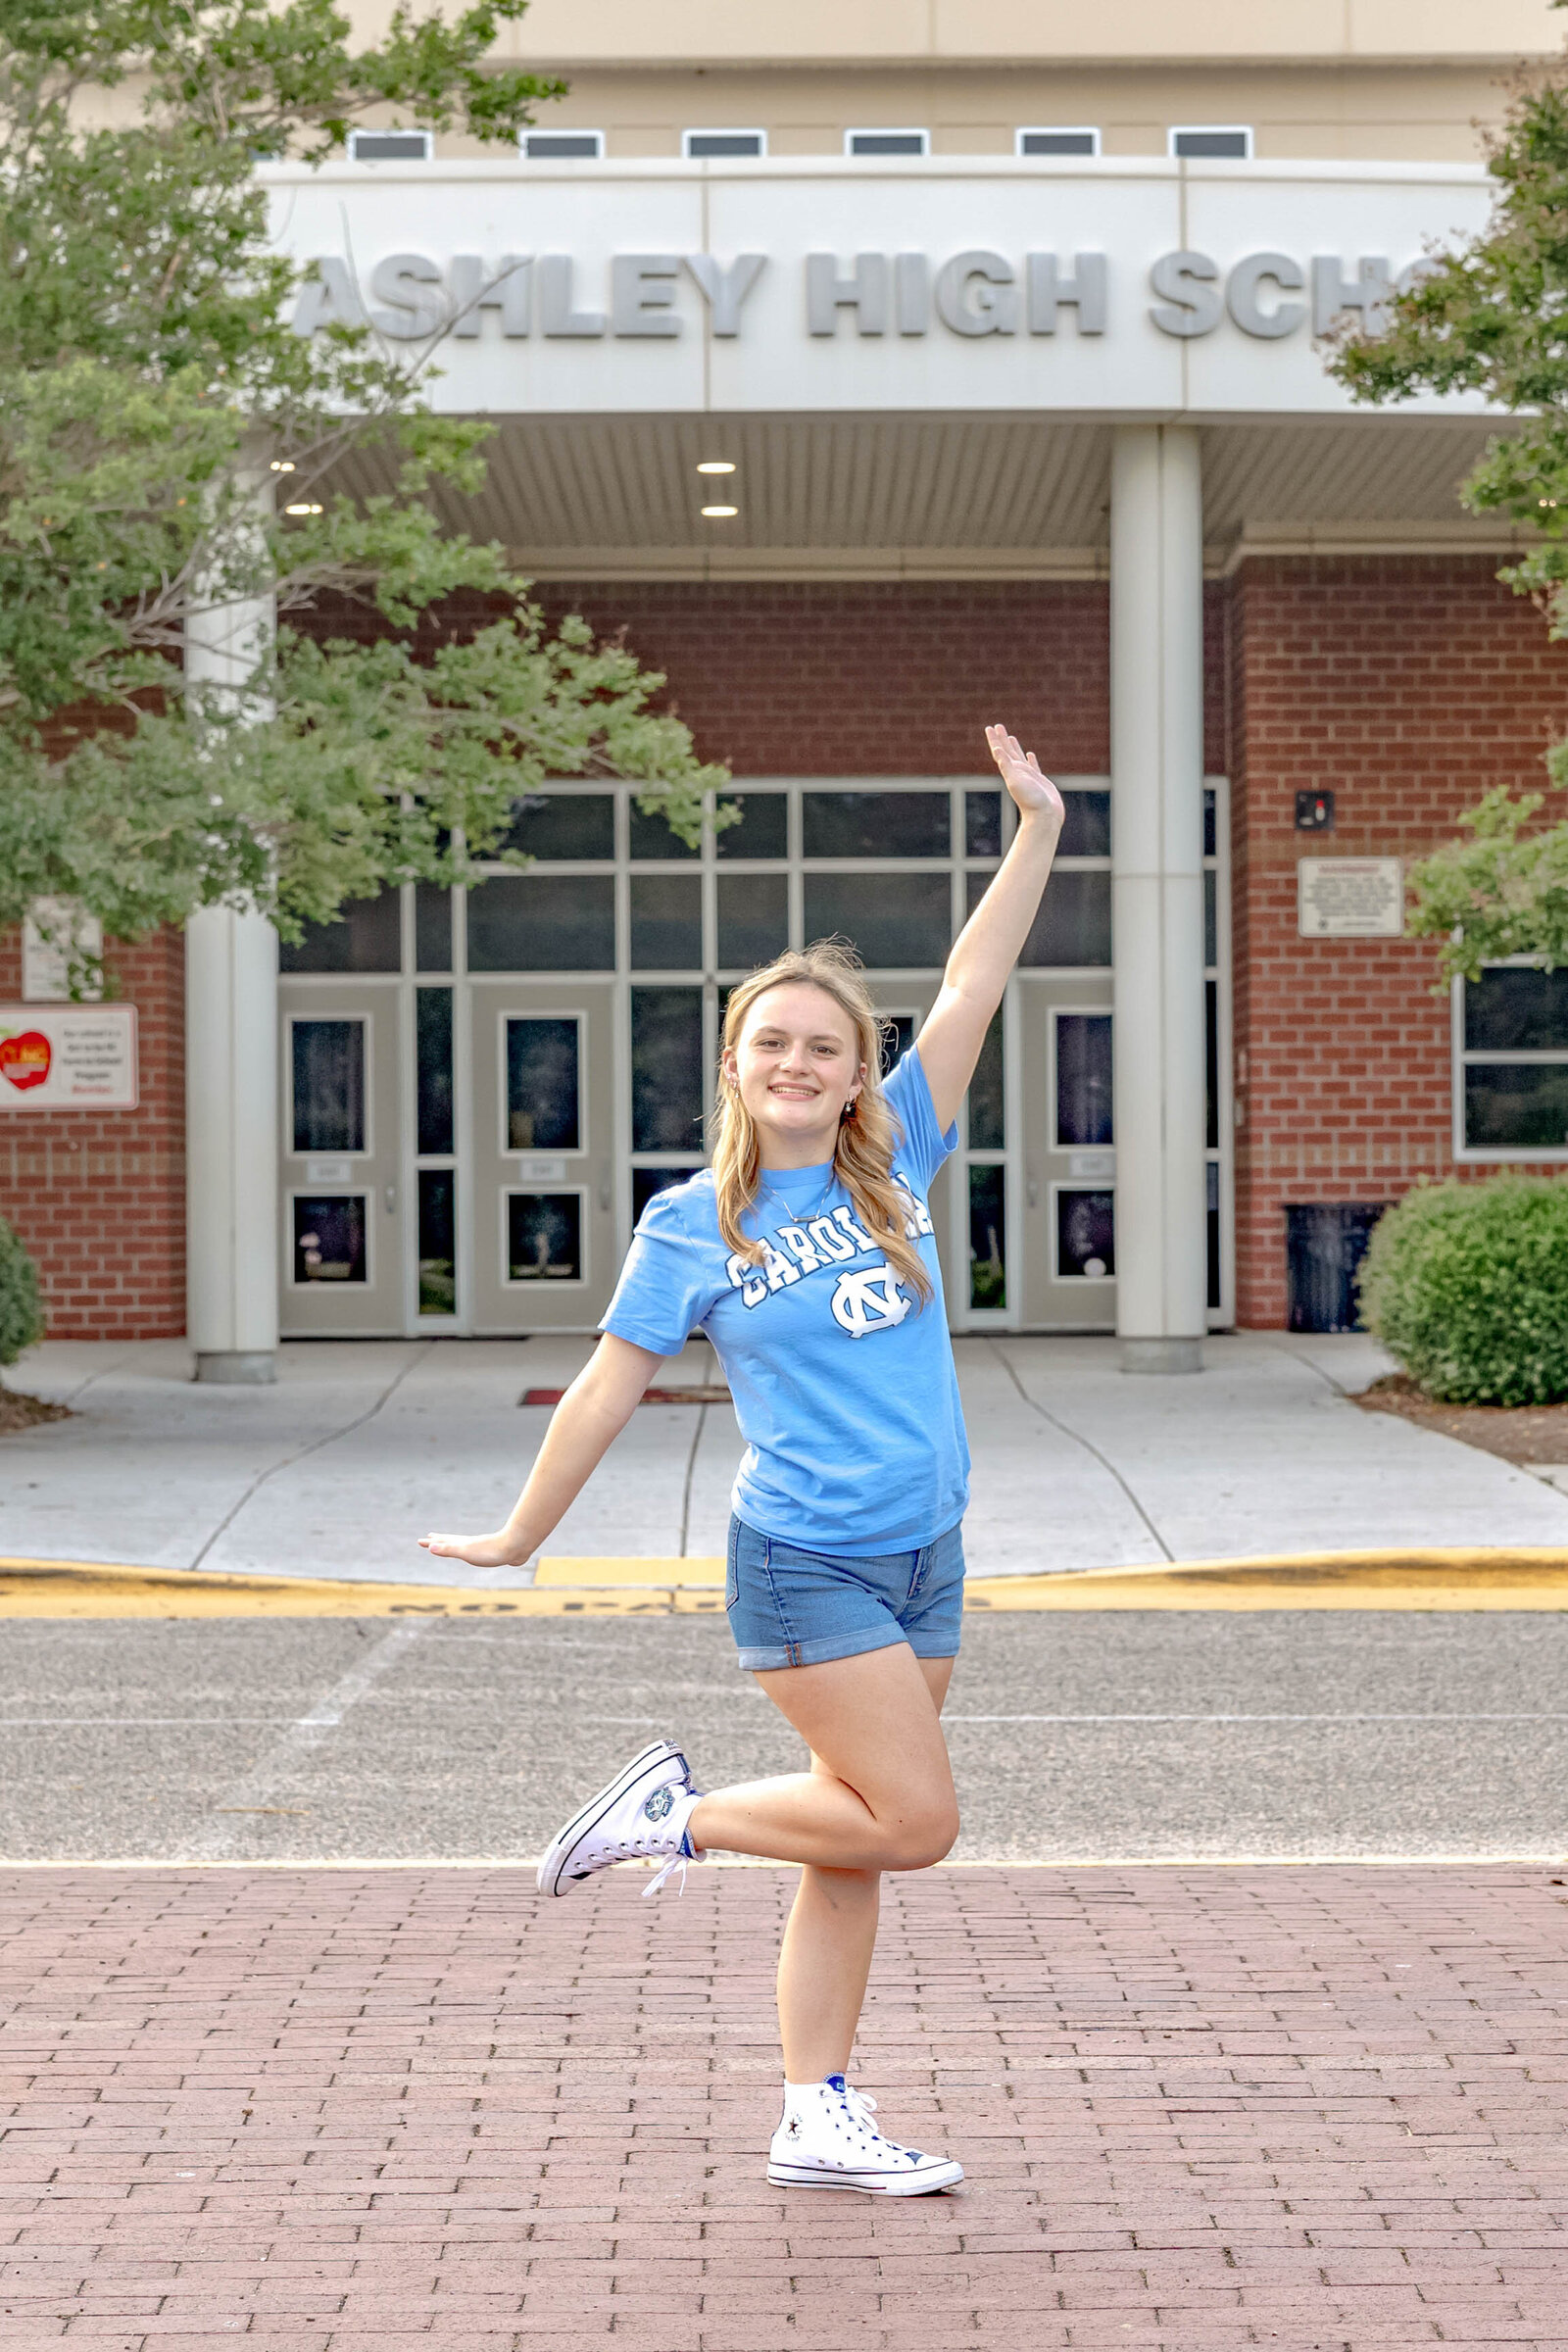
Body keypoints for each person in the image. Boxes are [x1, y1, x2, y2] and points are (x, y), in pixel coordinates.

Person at [421, 724, 1064, 2195]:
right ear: (733, 1062)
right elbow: (601, 1389)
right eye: (770, 1040)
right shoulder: (687, 1223)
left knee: (855, 1843)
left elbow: (974, 983)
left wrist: (1034, 830)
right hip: (809, 1561)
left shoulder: (897, 1151)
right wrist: (522, 1535)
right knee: (918, 1820)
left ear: (857, 1077)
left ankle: (813, 2110)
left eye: (823, 1047)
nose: (796, 1060)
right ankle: (676, 1817)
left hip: (926, 1549)